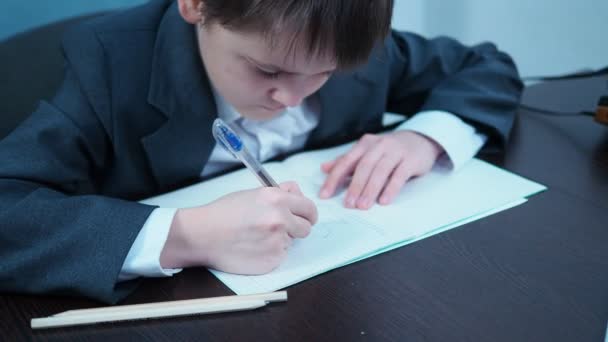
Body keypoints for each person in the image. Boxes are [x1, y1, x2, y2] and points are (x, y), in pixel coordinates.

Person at [0, 0, 522, 303]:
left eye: (325, 73)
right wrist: (181, 235)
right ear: (196, 5)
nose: (293, 98)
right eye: (268, 71)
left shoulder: (343, 37)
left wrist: (423, 138)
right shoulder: (106, 67)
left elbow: (485, 66)